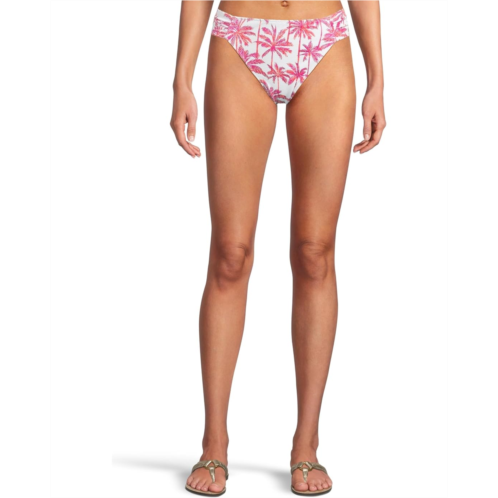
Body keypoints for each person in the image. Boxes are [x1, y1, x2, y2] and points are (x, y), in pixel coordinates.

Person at [171, 0, 386, 495]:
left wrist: (377, 76)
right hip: (239, 38)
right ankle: (214, 443)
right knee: (230, 253)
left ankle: (306, 445)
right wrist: (181, 77)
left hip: (324, 42)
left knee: (315, 252)